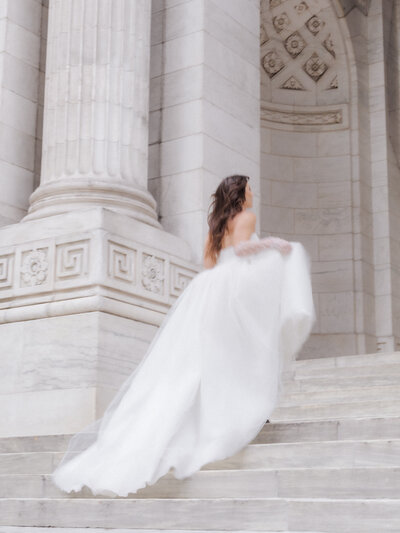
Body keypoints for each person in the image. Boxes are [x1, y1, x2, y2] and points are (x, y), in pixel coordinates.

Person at [51, 174, 316, 497]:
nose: (252, 192)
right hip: (232, 292)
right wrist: (273, 245)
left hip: (208, 291)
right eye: (249, 188)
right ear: (240, 193)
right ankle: (238, 417)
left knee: (210, 361)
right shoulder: (247, 217)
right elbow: (245, 249)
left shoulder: (215, 224)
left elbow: (209, 263)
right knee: (241, 355)